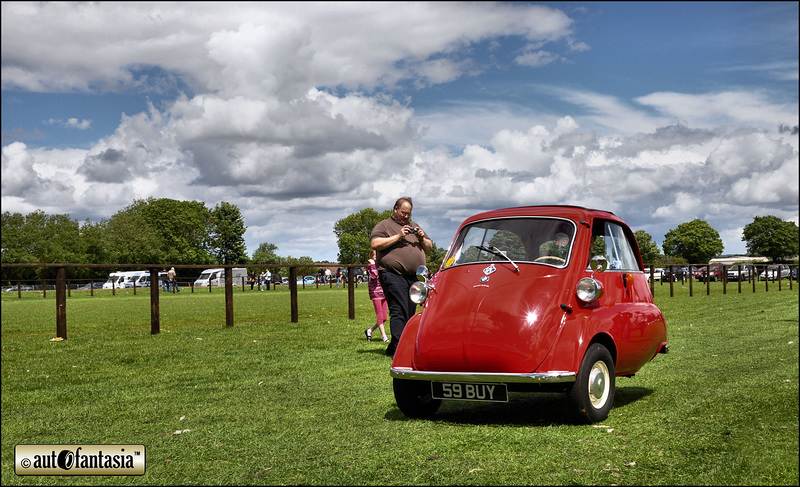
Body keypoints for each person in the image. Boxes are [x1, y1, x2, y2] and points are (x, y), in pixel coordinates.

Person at [371, 197, 432, 356]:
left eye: (409, 214)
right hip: (393, 274)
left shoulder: (414, 226)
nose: (406, 217)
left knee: (409, 311)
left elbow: (429, 247)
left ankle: (397, 346)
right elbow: (375, 244)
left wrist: (420, 238)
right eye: (403, 213)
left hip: (413, 277)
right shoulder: (384, 225)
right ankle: (399, 349)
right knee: (399, 309)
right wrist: (398, 236)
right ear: (395, 209)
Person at [364, 249, 389, 343]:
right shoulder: (371, 266)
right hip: (375, 293)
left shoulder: (381, 265)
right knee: (379, 316)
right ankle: (384, 336)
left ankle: (369, 330)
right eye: (375, 256)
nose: (377, 257)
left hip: (384, 292)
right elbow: (374, 276)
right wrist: (372, 264)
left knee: (384, 317)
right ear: (371, 257)